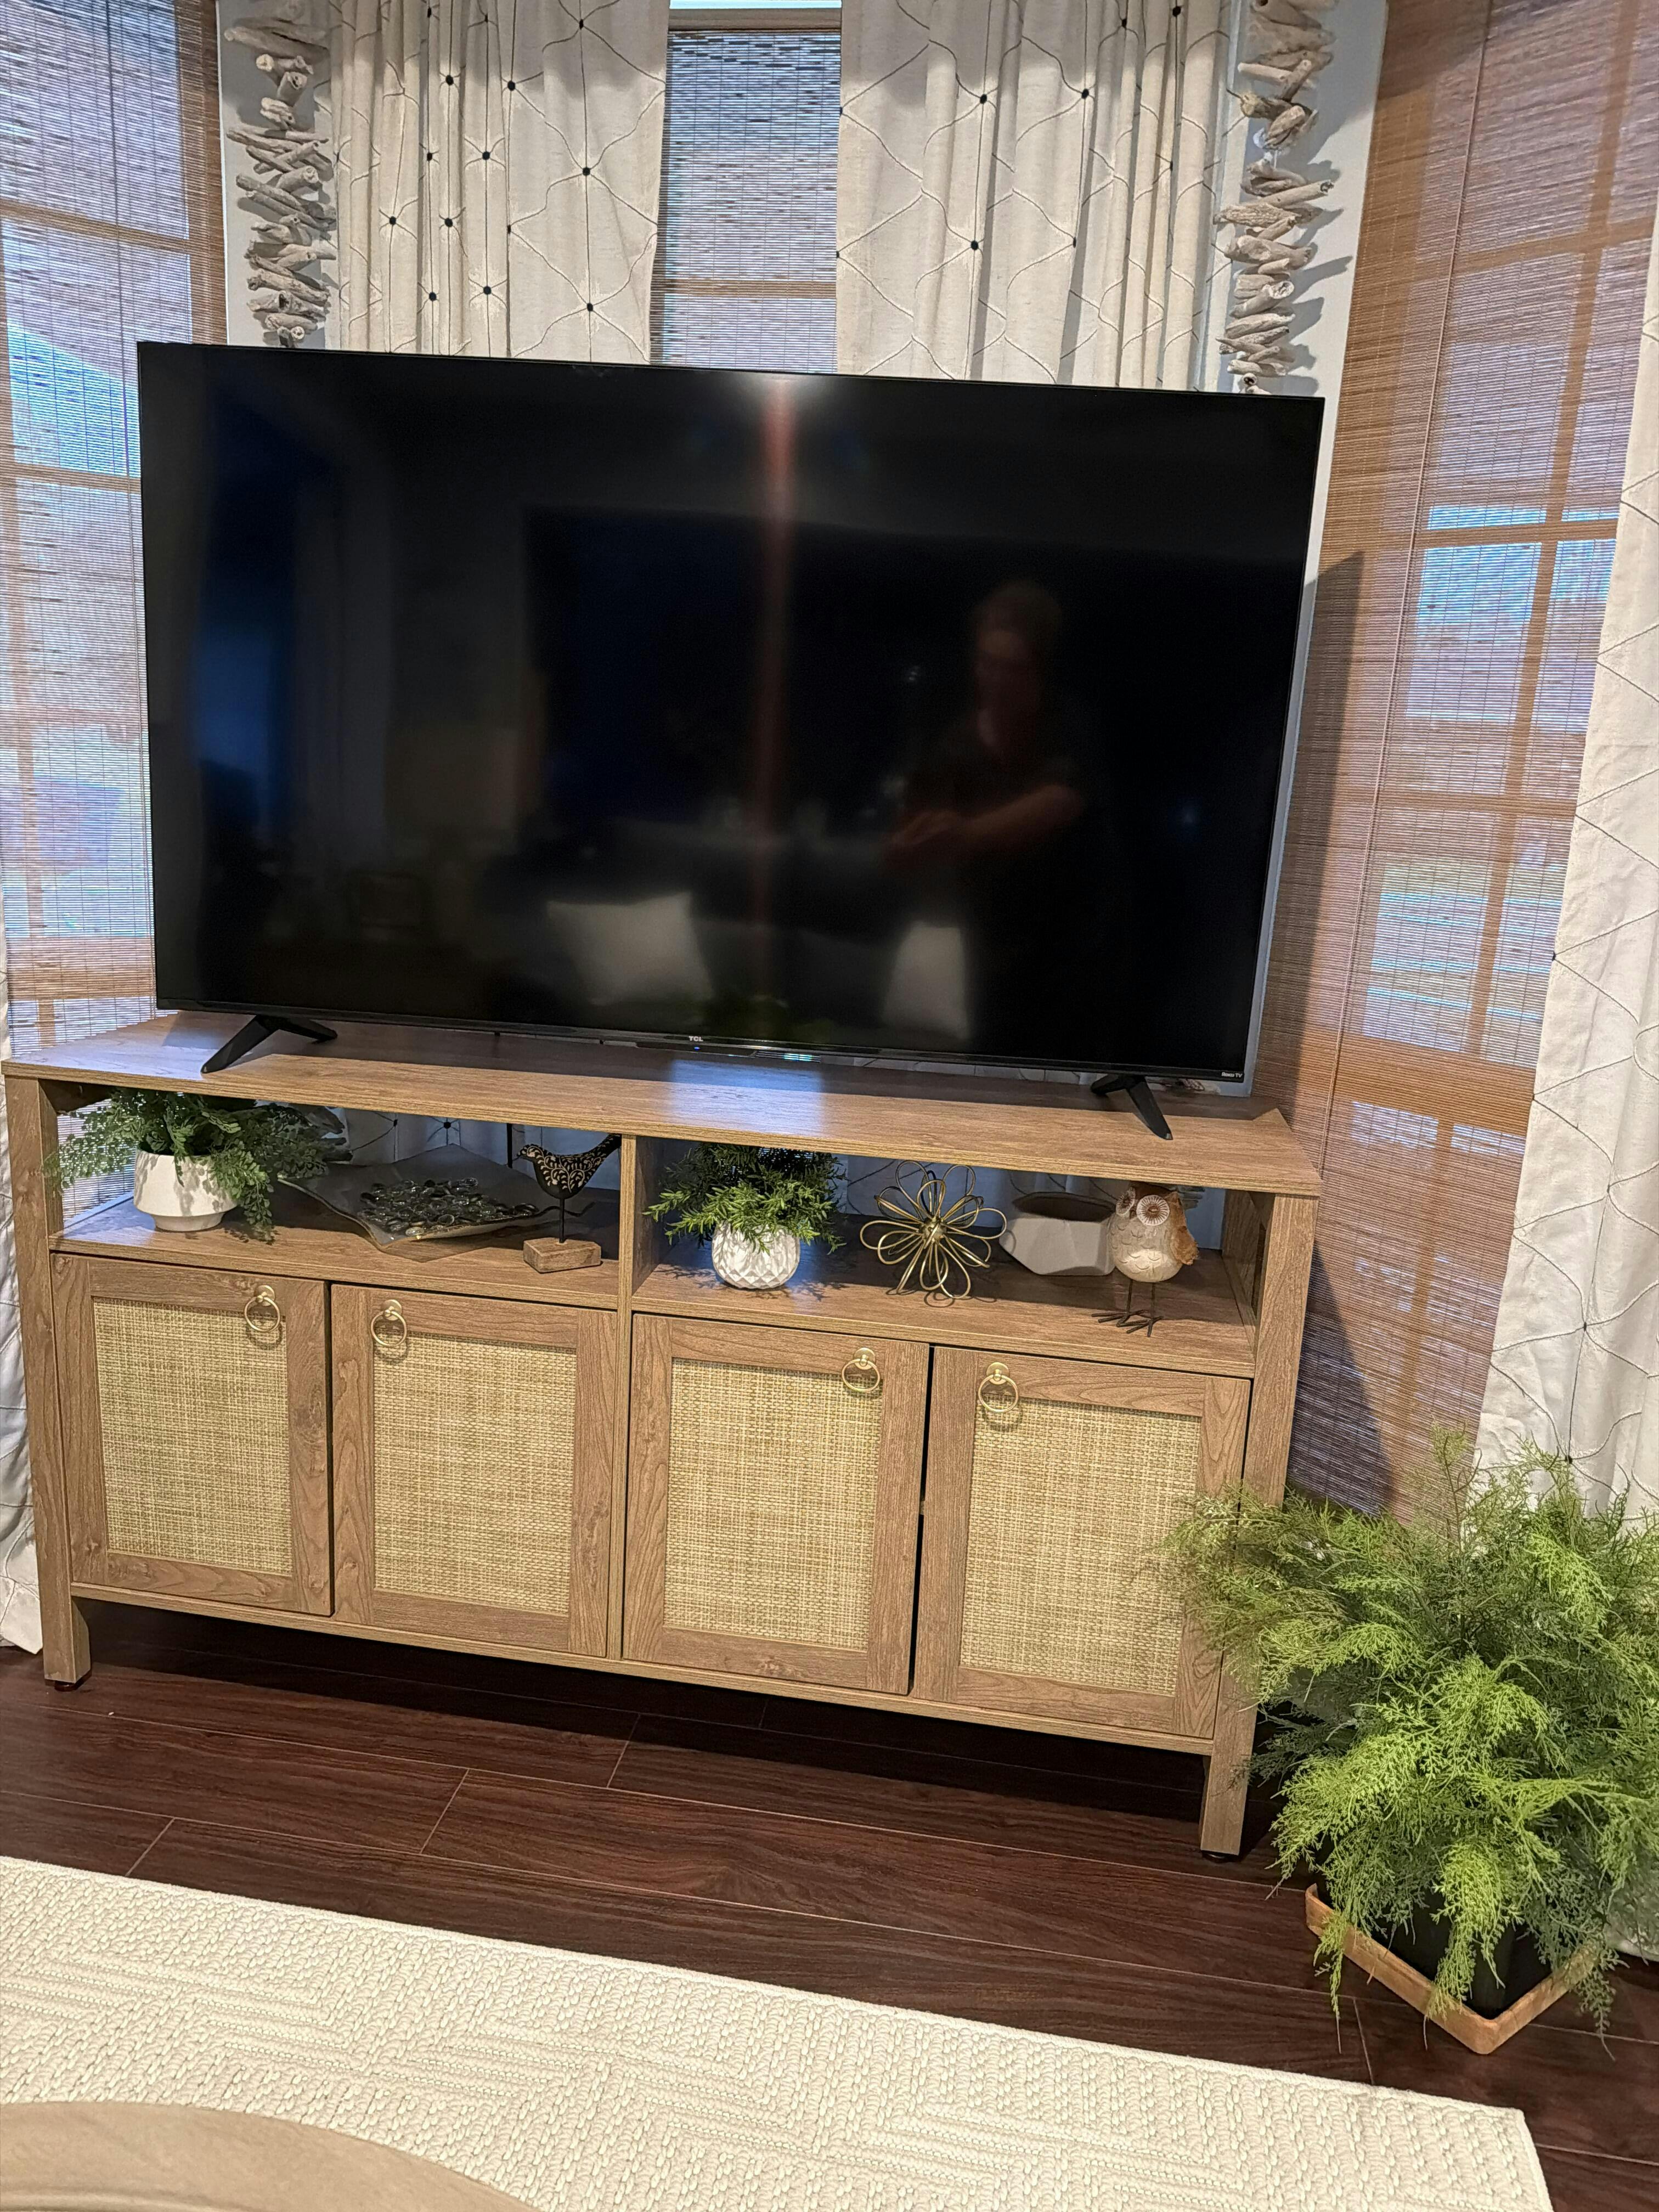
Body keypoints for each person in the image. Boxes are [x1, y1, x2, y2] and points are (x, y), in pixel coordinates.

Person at [887, 581, 1101, 1058]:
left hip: (1069, 946)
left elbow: (1060, 800)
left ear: (1040, 670)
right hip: (985, 948)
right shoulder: (955, 743)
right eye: (988, 664)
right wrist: (909, 844)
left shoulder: (1066, 724)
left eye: (1013, 668)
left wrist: (962, 835)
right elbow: (908, 833)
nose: (996, 680)